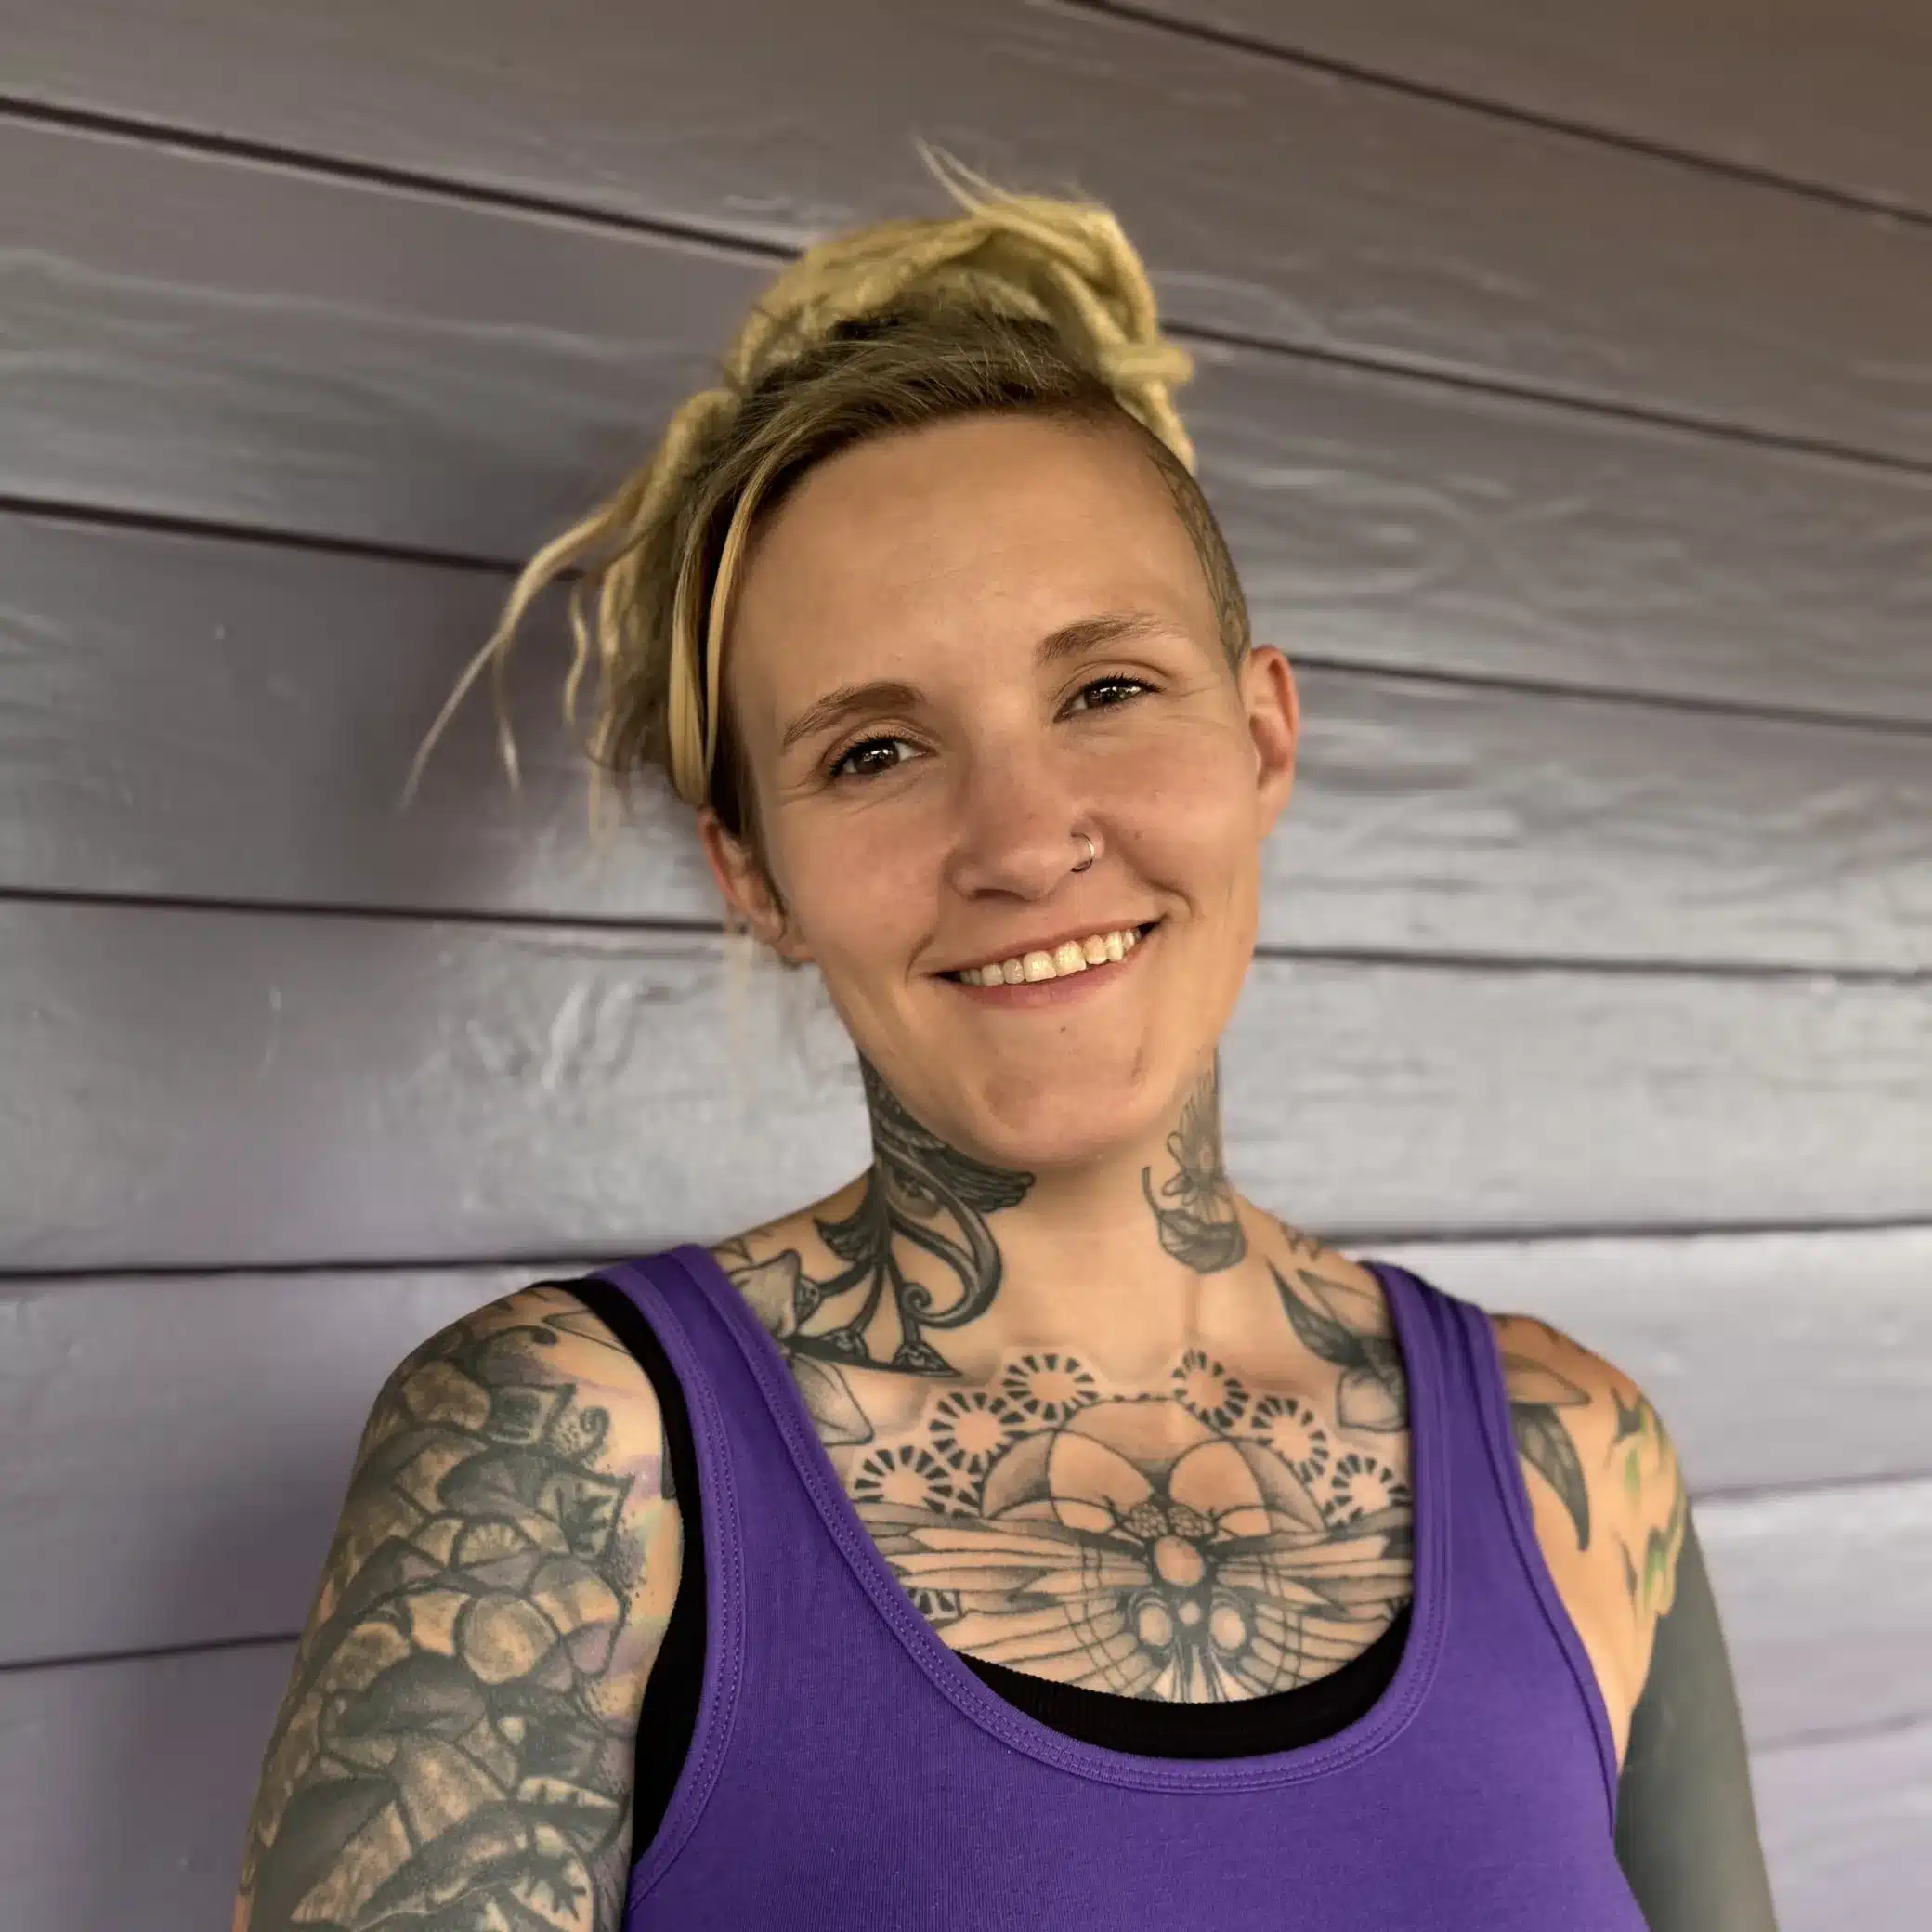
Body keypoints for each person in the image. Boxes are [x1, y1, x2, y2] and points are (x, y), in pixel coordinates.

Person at [232, 163, 1778, 1932]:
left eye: (1105, 691)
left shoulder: (1577, 1457)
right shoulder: (569, 1455)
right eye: (875, 753)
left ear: (1262, 738)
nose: (1027, 841)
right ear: (754, 874)